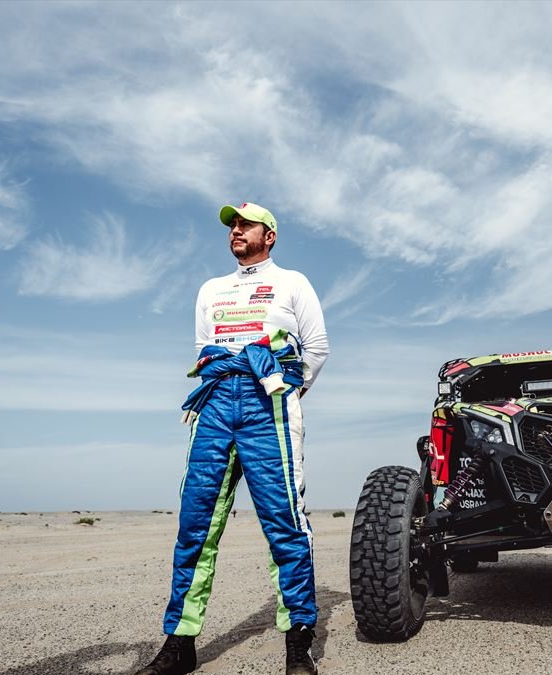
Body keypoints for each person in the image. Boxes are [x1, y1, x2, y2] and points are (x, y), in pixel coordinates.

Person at [136, 202, 329, 675]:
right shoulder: (211, 289)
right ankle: (180, 644)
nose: (236, 231)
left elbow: (318, 346)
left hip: (271, 405)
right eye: (231, 226)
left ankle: (297, 644)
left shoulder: (293, 282)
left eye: (246, 225)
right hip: (218, 402)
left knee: (285, 523)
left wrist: (287, 392)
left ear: (271, 235)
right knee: (195, 525)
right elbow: (204, 347)